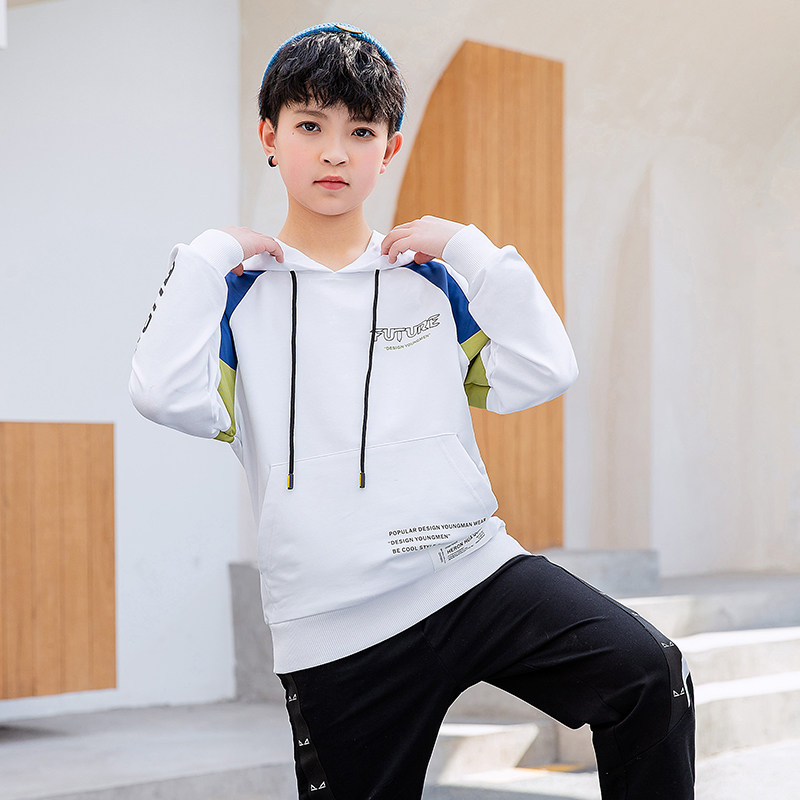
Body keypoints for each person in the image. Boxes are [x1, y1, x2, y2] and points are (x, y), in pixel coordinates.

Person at [129, 22, 695, 799]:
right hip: (336, 625)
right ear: (269, 137)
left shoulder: (429, 279)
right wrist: (204, 257)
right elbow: (163, 393)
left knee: (649, 674)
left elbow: (545, 367)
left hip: (472, 574)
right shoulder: (237, 296)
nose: (335, 153)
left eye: (360, 132)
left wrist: (467, 246)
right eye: (310, 127)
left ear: (389, 149)